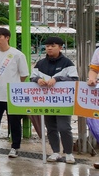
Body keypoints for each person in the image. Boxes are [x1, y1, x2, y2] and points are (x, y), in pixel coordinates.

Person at [0, 27, 29, 157]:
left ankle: (15, 147)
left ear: (7, 38)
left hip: (12, 95)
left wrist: (15, 86)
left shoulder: (18, 55)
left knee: (14, 122)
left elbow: (24, 75)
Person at [31, 36, 78, 164]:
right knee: (50, 127)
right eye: (47, 46)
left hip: (63, 101)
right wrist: (37, 80)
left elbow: (74, 79)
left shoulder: (67, 63)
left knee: (64, 127)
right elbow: (32, 78)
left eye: (53, 46)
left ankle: (68, 154)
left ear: (60, 47)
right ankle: (55, 152)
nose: (49, 48)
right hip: (46, 101)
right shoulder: (40, 63)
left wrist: (58, 79)